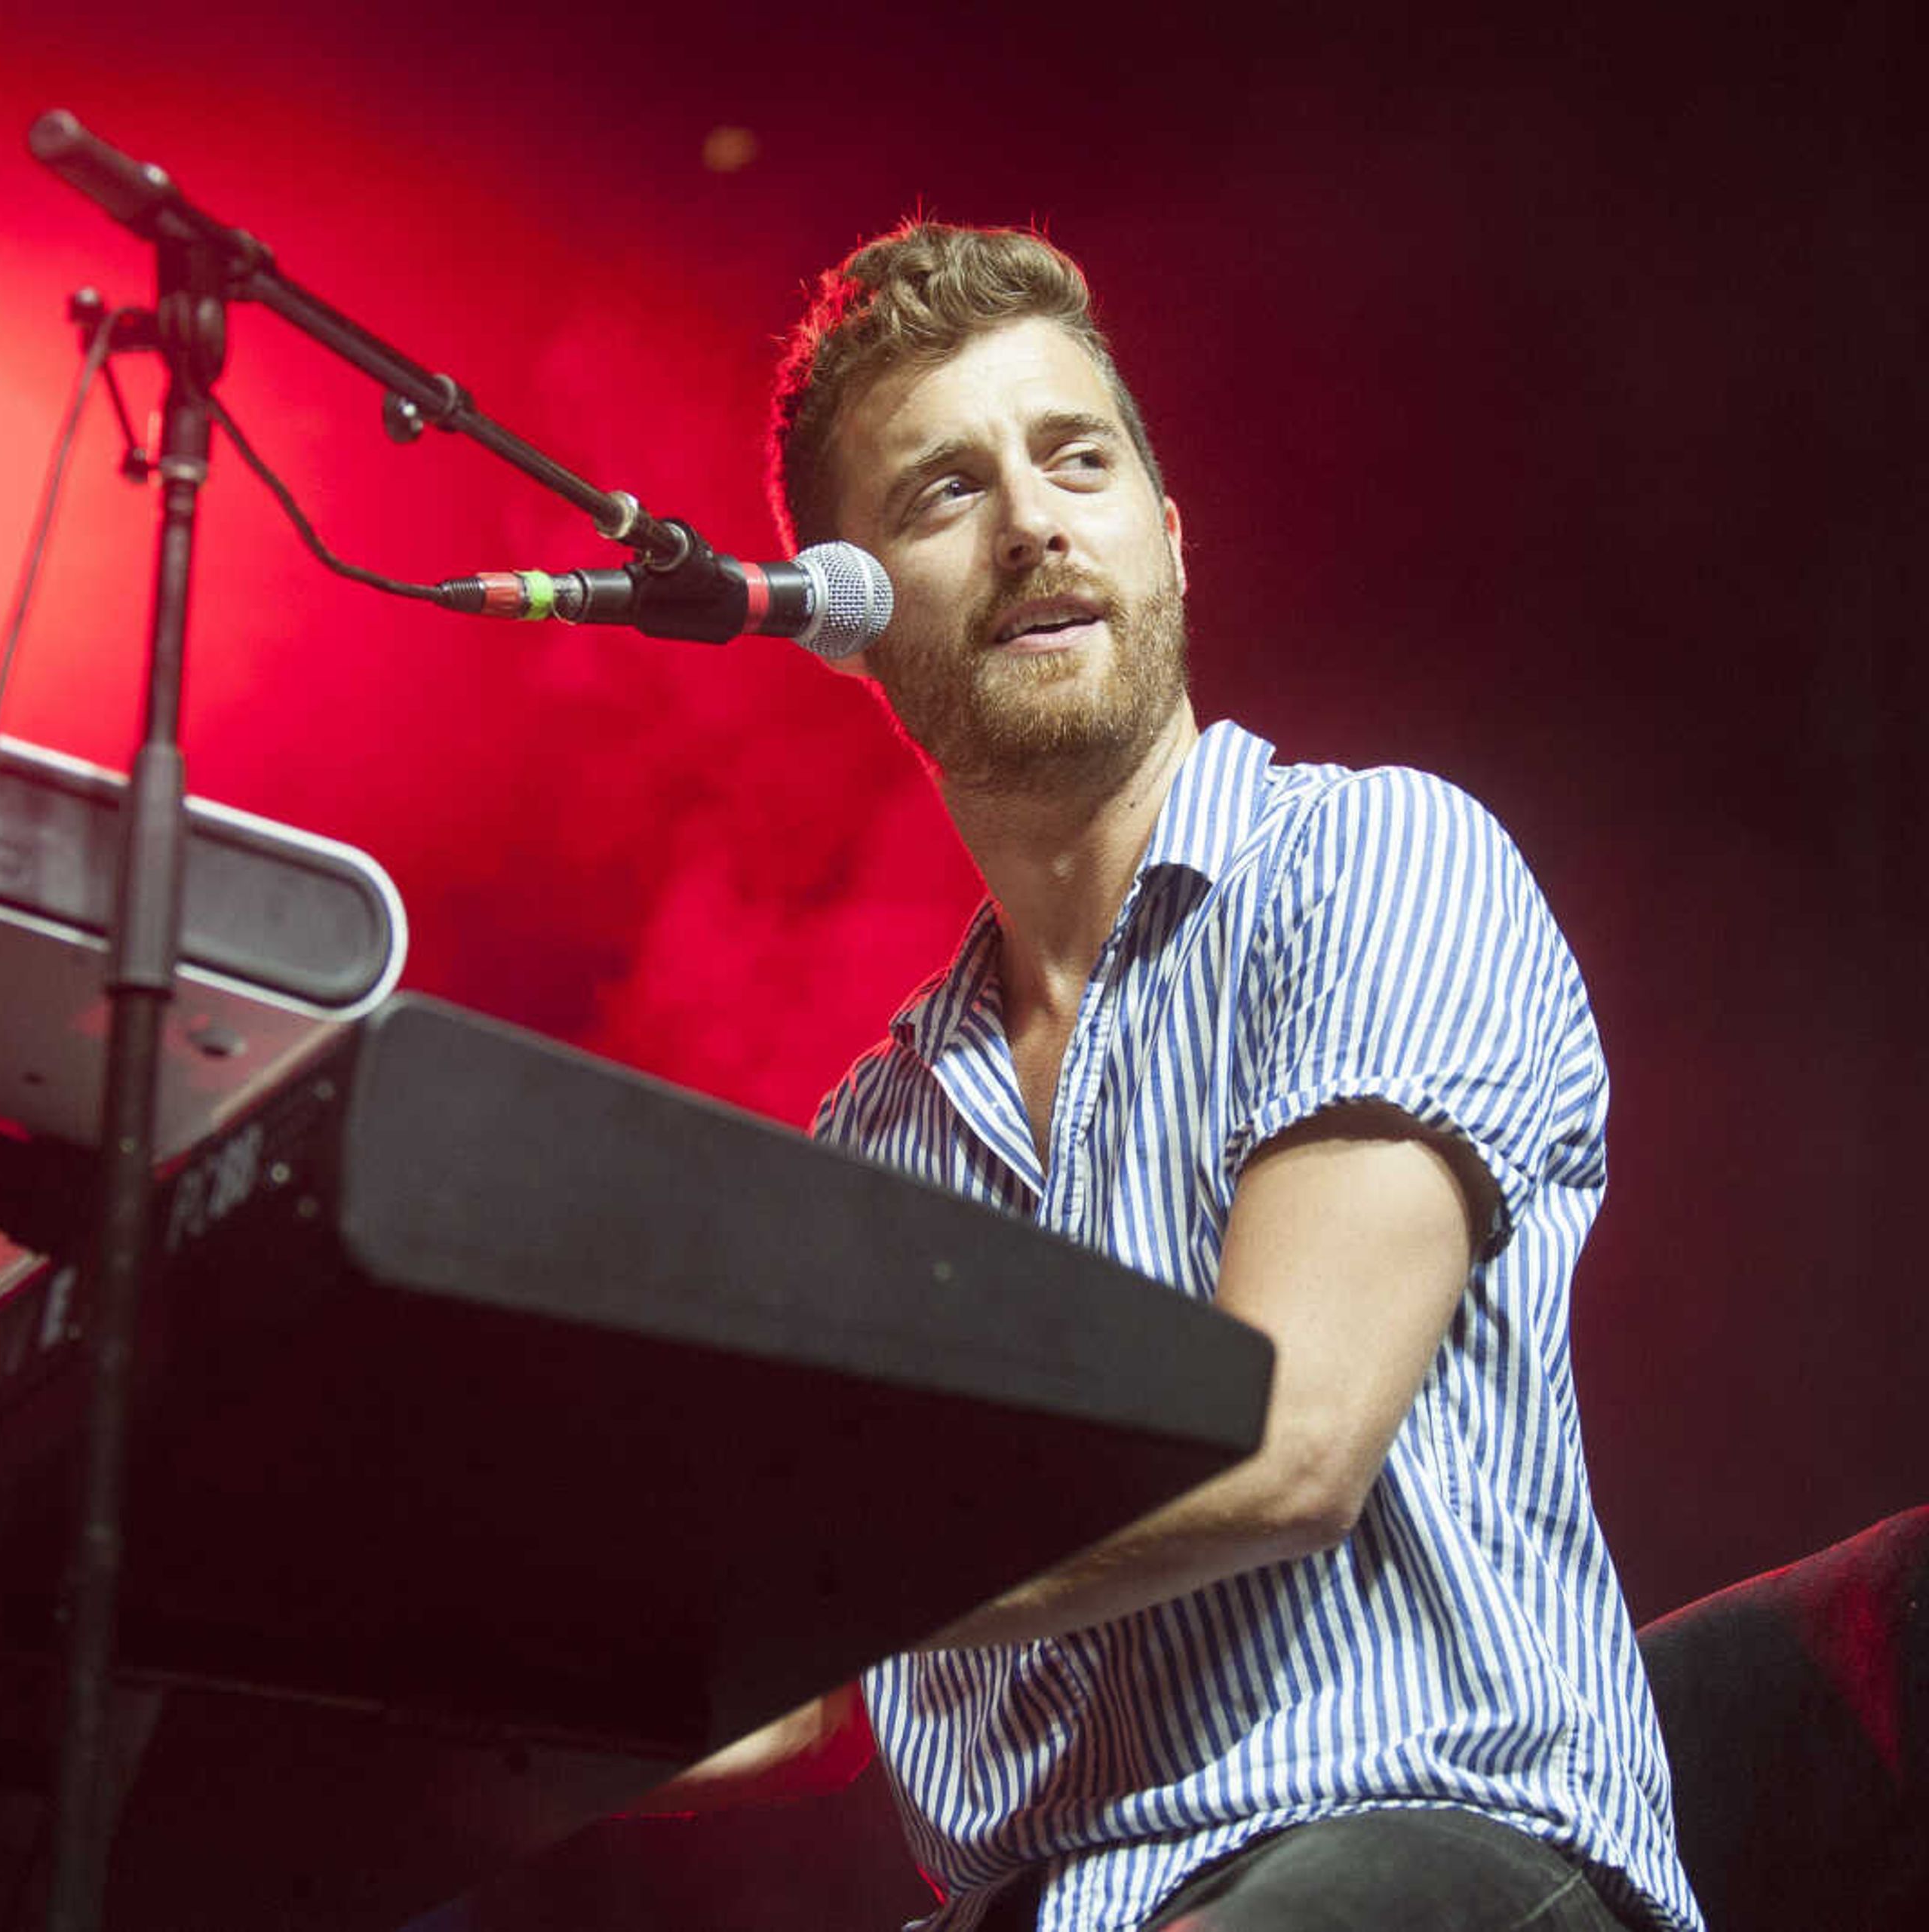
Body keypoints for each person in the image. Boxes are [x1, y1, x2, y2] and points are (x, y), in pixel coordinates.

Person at [656, 224, 1704, 1931]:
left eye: (1079, 459)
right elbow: (782, 1687)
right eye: (942, 493)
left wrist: (828, 1585)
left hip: (1429, 1844)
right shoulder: (869, 1145)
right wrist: (400, 1690)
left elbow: (1287, 1444)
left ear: (1169, 538)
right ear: (847, 625)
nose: (1033, 523)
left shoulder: (1374, 861)